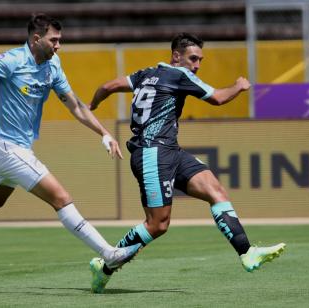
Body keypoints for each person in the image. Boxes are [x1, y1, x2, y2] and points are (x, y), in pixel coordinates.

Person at [0, 13, 141, 273]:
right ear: (37, 39)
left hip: (17, 148)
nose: (58, 45)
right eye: (54, 40)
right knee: (61, 198)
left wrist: (104, 132)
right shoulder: (12, 60)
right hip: (7, 147)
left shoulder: (53, 65)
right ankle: (109, 253)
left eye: (60, 40)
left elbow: (76, 106)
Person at [88, 32, 285, 293]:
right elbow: (218, 98)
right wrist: (239, 85)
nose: (197, 65)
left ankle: (247, 252)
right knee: (158, 224)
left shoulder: (146, 74)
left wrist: (92, 105)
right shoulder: (179, 75)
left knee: (216, 191)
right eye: (193, 58)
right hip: (151, 152)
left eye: (200, 60)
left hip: (171, 151)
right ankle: (105, 264)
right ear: (176, 55)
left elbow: (109, 86)